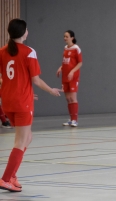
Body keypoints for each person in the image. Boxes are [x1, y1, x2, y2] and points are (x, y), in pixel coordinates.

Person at [0, 18, 62, 192]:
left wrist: (21, 92)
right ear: (23, 32)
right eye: (27, 29)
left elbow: (5, 78)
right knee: (21, 141)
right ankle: (5, 178)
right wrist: (51, 90)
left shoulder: (2, 51)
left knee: (28, 137)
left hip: (8, 102)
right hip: (21, 103)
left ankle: (12, 175)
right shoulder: (29, 52)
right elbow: (36, 80)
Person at [56, 30, 82, 127]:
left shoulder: (76, 48)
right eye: (64, 36)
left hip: (73, 77)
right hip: (65, 76)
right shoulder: (65, 48)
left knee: (73, 98)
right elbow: (66, 61)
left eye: (67, 36)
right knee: (67, 98)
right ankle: (71, 119)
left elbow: (80, 63)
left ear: (72, 38)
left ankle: (75, 120)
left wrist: (72, 71)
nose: (65, 38)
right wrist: (61, 68)